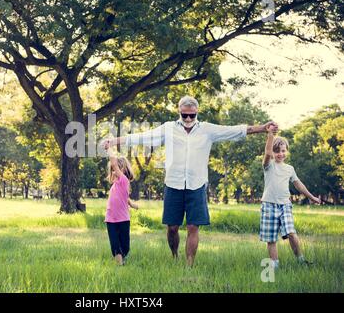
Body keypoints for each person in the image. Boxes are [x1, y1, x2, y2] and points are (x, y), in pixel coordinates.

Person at [103, 95, 277, 267]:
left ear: (197, 112)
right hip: (173, 184)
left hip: (197, 184)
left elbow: (234, 130)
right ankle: (174, 255)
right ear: (179, 112)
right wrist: (115, 141)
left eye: (191, 115)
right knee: (172, 228)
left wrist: (262, 128)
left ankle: (189, 265)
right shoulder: (169, 128)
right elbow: (143, 137)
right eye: (184, 114)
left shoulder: (207, 130)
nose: (187, 118)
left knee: (193, 227)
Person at [260, 125, 321, 269]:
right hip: (268, 205)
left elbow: (299, 185)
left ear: (286, 151)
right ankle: (274, 265)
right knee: (271, 239)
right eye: (277, 151)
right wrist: (270, 135)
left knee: (291, 233)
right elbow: (267, 152)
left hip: (285, 205)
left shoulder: (290, 169)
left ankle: (300, 259)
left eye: (283, 150)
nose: (280, 154)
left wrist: (312, 197)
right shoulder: (268, 165)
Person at [104, 143, 138, 265]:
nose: (113, 170)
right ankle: (119, 264)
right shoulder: (116, 185)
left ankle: (123, 258)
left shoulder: (123, 180)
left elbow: (113, 162)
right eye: (112, 169)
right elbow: (125, 198)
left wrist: (109, 149)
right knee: (115, 243)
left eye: (116, 168)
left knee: (125, 245)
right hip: (110, 219)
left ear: (122, 169)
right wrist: (132, 204)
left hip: (123, 219)